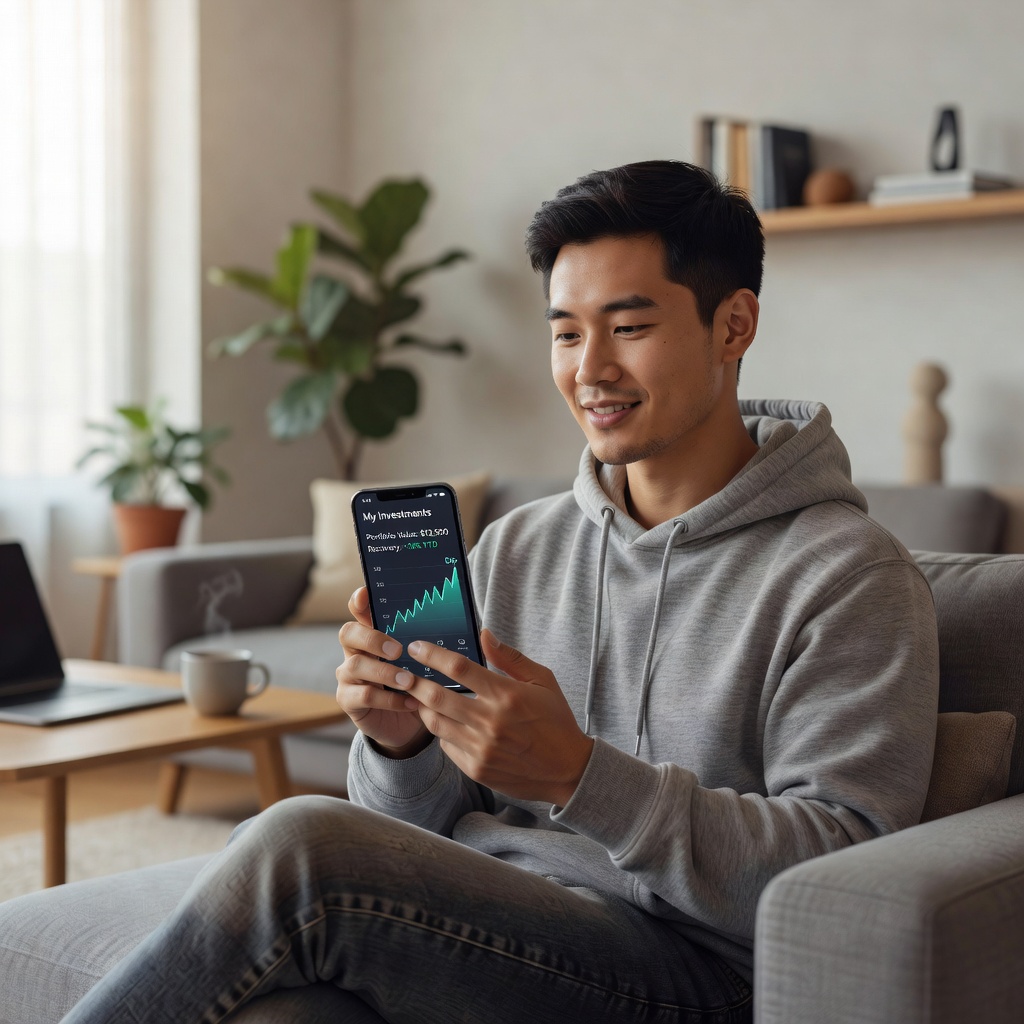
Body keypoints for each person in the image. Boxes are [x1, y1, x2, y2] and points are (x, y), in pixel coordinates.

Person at [62, 161, 939, 1024]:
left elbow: (842, 873)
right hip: (498, 929)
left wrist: (581, 776)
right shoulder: (519, 545)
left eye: (629, 327)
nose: (589, 369)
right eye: (565, 333)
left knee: (301, 843)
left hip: (695, 969)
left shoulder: (848, 576)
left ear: (733, 325)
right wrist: (402, 745)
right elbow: (417, 831)